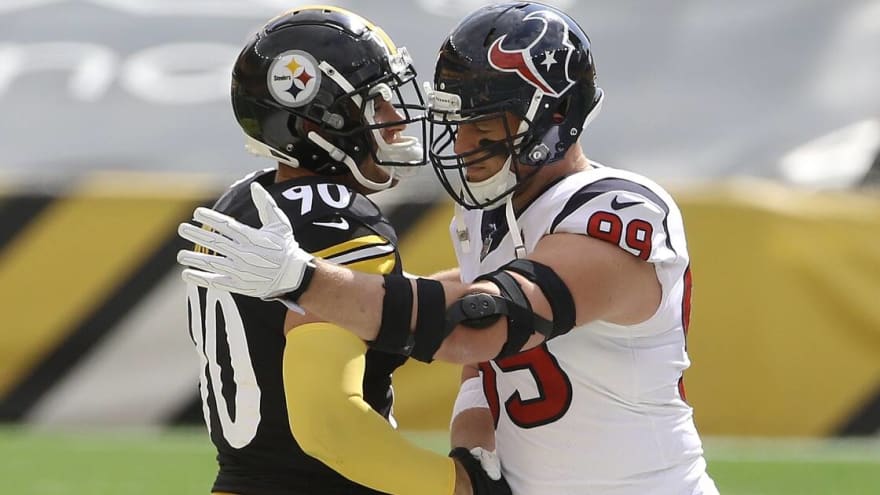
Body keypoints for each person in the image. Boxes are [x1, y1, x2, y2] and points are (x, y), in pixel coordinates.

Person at [178, 2, 719, 494]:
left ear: (549, 117)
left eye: (479, 122)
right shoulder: (489, 216)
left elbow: (485, 325)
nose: (458, 143)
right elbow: (483, 368)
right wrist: (471, 443)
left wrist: (307, 282)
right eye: (454, 121)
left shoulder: (621, 210)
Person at [181, 6, 509, 495]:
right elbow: (329, 424)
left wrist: (501, 286)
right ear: (322, 123)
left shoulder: (248, 199)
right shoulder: (330, 218)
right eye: (377, 104)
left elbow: (370, 301)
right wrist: (454, 487)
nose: (397, 119)